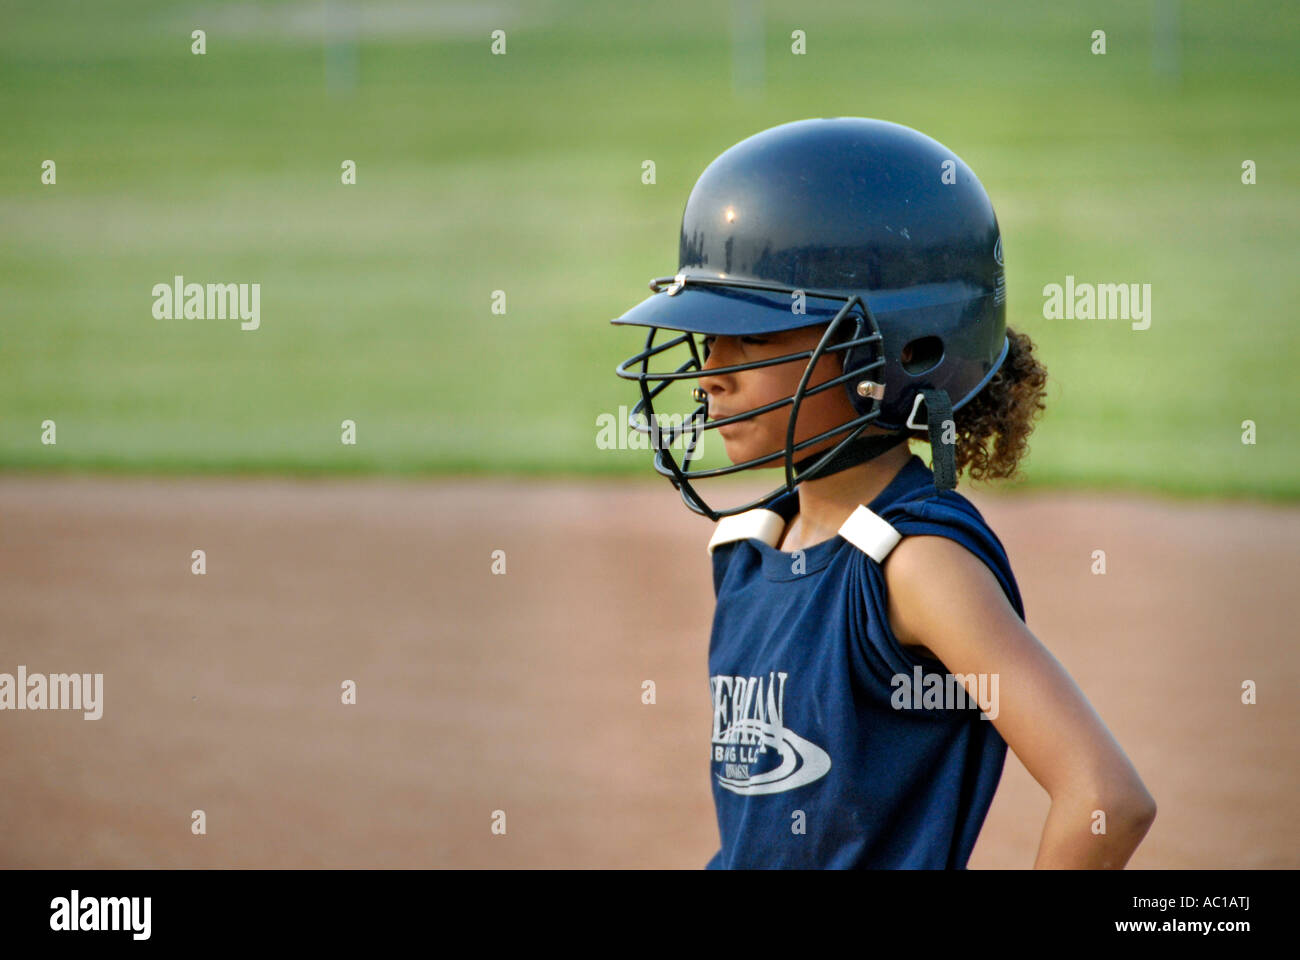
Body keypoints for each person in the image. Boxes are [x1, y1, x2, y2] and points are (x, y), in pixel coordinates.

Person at [610, 118, 1156, 868]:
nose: (712, 372)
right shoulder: (750, 546)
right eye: (708, 338)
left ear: (900, 348)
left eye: (755, 338)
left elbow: (1106, 799)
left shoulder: (912, 564)